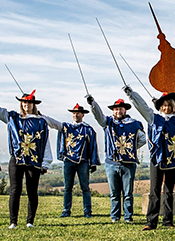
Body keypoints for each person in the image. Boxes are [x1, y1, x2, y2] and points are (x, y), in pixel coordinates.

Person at [124, 87, 175, 230]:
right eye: (164, 105)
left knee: (168, 191)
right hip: (157, 159)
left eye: (169, 105)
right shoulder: (154, 118)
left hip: (174, 161)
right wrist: (132, 94)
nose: (166, 108)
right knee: (154, 190)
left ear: (173, 106)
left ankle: (168, 221)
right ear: (161, 106)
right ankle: (151, 222)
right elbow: (142, 107)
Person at [87, 94, 145, 223]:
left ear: (125, 110)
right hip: (111, 163)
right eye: (116, 109)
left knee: (128, 193)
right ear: (113, 111)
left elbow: (142, 139)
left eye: (121, 109)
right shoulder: (108, 122)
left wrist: (130, 148)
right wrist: (93, 104)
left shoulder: (135, 124)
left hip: (128, 162)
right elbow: (98, 116)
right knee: (114, 193)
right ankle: (115, 217)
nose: (118, 111)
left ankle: (128, 217)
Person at [0, 91, 52, 228]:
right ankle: (13, 222)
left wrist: (46, 162)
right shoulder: (12, 118)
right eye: (24, 102)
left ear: (33, 104)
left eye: (29, 102)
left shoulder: (40, 121)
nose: (26, 105)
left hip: (34, 159)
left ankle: (30, 221)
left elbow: (46, 142)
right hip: (16, 159)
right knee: (15, 190)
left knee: (32, 190)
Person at [42, 103, 100, 218]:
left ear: (83, 114)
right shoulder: (66, 127)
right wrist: (41, 115)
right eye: (74, 113)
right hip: (68, 160)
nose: (75, 115)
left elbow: (93, 146)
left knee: (85, 187)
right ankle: (66, 210)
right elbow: (54, 124)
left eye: (78, 113)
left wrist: (93, 163)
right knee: (67, 187)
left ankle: (87, 211)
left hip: (83, 161)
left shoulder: (88, 129)